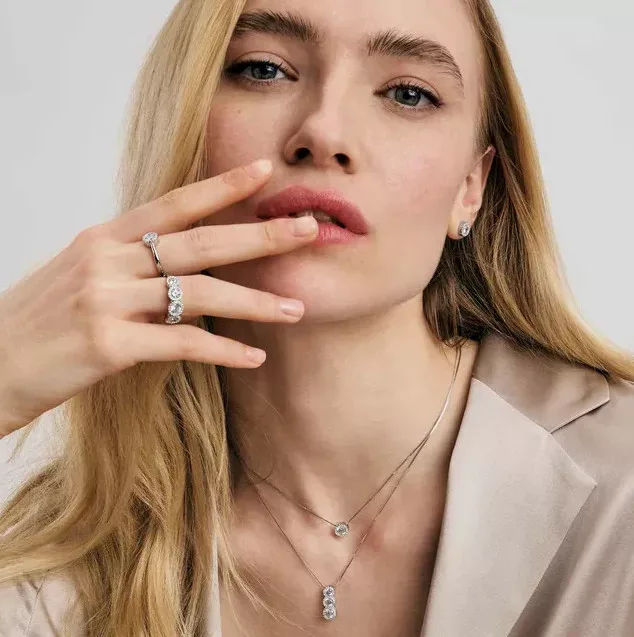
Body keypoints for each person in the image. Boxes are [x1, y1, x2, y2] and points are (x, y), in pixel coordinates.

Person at [0, 0, 633, 635]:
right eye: (264, 70)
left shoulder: (622, 489)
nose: (325, 133)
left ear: (471, 188)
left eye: (408, 94)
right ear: (181, 123)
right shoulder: (64, 564)